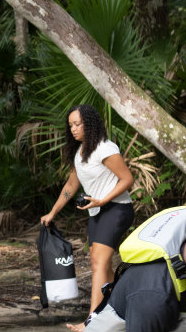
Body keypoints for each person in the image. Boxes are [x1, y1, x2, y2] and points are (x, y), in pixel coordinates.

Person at [40, 104, 135, 308]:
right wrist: (52, 212)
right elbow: (72, 184)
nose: (73, 129)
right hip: (97, 211)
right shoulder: (80, 151)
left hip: (117, 209)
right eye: (70, 125)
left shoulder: (105, 148)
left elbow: (127, 179)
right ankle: (117, 306)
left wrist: (103, 199)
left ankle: (92, 319)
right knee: (98, 263)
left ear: (89, 124)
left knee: (99, 263)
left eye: (77, 124)